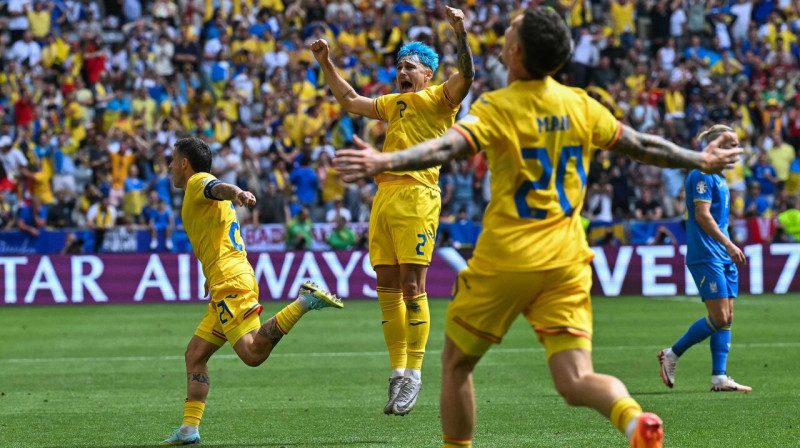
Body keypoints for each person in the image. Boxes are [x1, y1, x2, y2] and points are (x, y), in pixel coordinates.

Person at [334, 7, 743, 448]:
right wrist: (699, 159)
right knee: (576, 378)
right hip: (566, 261)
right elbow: (641, 145)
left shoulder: (497, 107)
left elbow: (448, 146)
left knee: (455, 365)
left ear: (514, 51)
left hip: (506, 257)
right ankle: (632, 420)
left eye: (509, 32)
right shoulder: (582, 105)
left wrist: (385, 161)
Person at [311, 5, 474, 415]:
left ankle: (415, 375)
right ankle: (398, 373)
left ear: (428, 75)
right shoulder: (391, 104)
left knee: (413, 288)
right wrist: (326, 62)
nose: (402, 71)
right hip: (384, 198)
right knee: (386, 290)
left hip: (418, 196)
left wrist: (460, 33)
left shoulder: (440, 99)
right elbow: (349, 100)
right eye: (399, 65)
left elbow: (467, 76)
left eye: (411, 66)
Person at [159, 137, 343, 446]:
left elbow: (218, 187)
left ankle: (304, 300)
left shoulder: (197, 182)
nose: (168, 168)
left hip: (230, 281)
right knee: (195, 354)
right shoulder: (201, 195)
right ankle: (189, 430)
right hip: (226, 279)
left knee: (252, 353)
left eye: (171, 161)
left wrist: (238, 192)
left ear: (184, 164)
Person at [658, 125, 752, 393]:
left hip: (721, 254)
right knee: (719, 316)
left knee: (728, 315)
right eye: (730, 144)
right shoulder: (701, 175)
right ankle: (671, 354)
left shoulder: (720, 177)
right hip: (707, 254)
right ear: (715, 146)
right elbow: (702, 215)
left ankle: (719, 377)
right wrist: (730, 244)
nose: (735, 150)